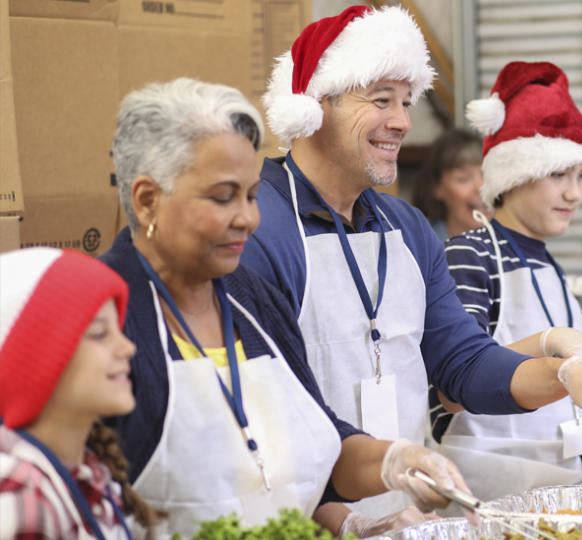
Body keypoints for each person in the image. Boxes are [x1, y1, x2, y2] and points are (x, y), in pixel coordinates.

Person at [243, 3, 582, 521]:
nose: (403, 122)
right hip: (301, 519)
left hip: (408, 515)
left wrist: (563, 373)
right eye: (381, 100)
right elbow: (269, 412)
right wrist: (343, 521)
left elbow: (463, 362)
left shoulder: (406, 229)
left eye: (407, 102)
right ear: (316, 105)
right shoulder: (258, 228)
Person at [102, 77, 470, 538]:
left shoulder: (251, 301)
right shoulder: (106, 318)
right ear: (147, 200)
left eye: (252, 195)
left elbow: (314, 436)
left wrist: (388, 472)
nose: (248, 218)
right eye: (223, 197)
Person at [432, 61, 582, 500]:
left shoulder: (552, 268)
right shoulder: (469, 254)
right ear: (512, 175)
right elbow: (454, 389)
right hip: (483, 493)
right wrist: (552, 344)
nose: (574, 194)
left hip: (557, 488)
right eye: (558, 174)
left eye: (581, 176)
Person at [0, 247, 157, 539]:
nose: (128, 348)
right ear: (38, 358)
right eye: (100, 334)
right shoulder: (21, 495)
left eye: (119, 330)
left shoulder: (89, 471)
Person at [412, 128, 488, 239]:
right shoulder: (421, 249)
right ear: (436, 188)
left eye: (486, 175)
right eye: (463, 178)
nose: (481, 187)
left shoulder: (513, 244)